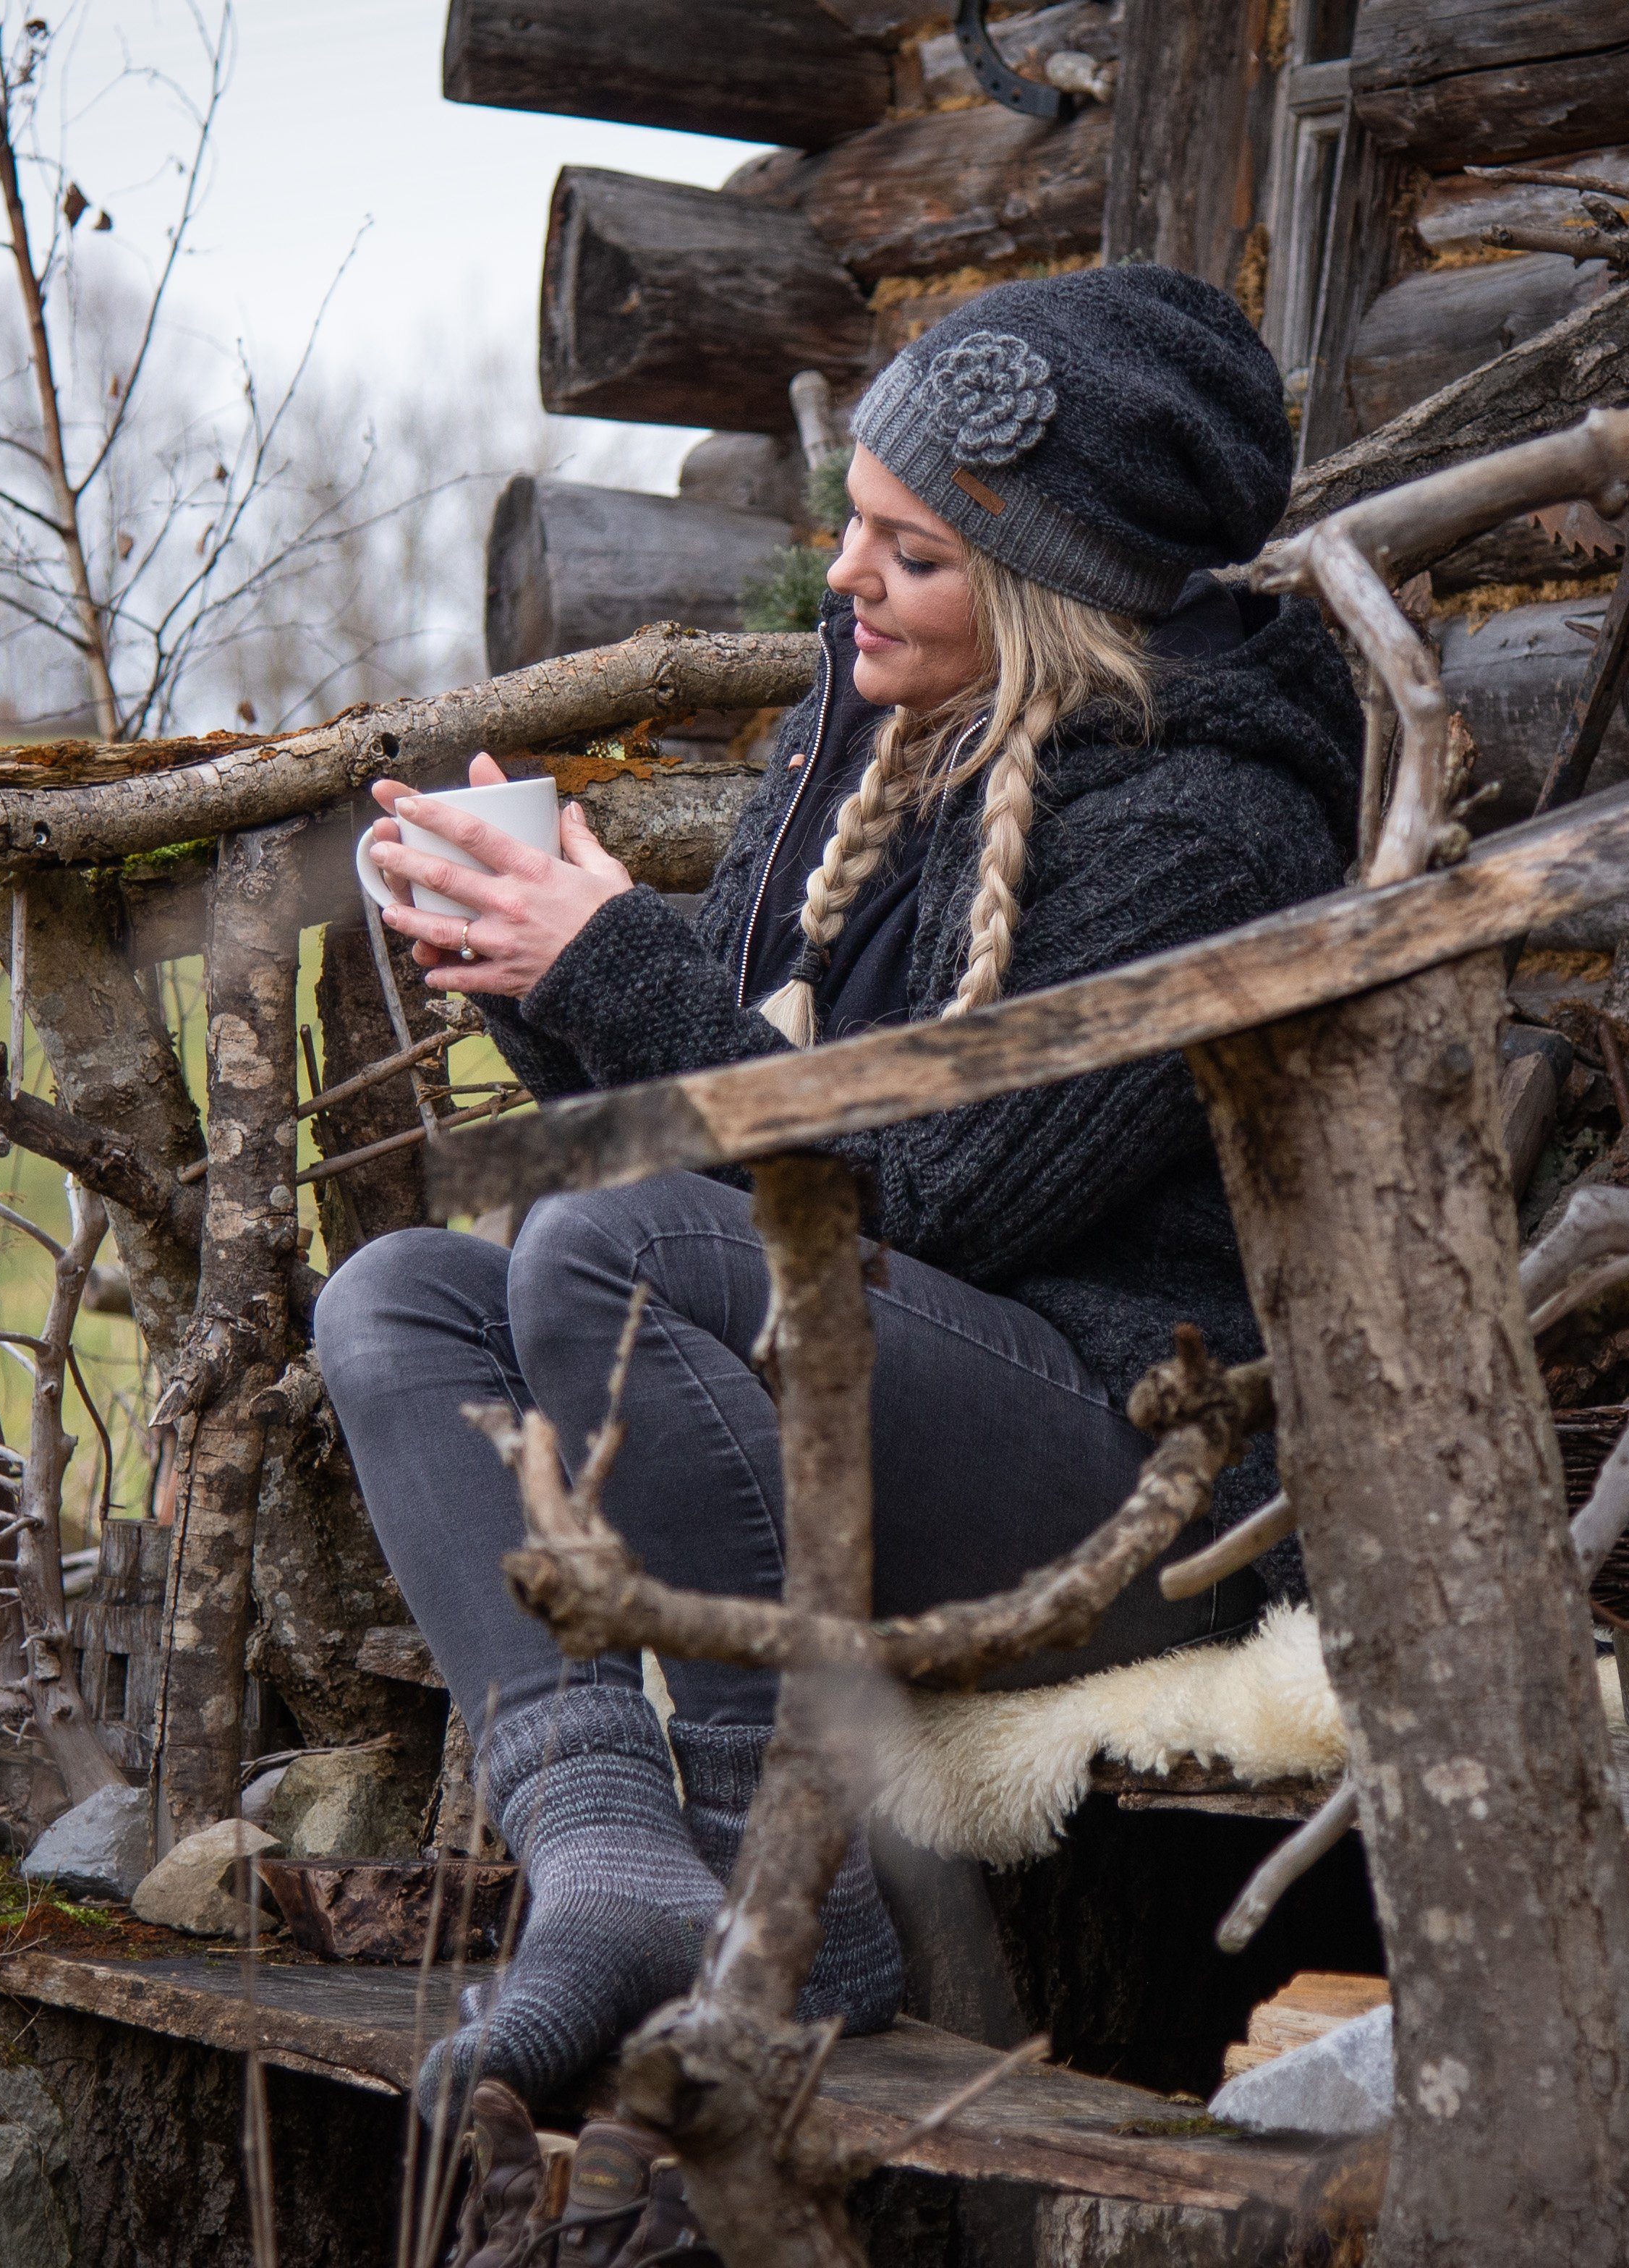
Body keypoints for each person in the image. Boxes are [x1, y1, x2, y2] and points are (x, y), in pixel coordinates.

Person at [315, 264, 1363, 2122]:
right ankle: (612, 1865)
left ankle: (783, 1893)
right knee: (398, 1299)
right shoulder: (858, 751)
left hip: (1146, 1475)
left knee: (615, 1254)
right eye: (853, 523)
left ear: (1048, 590)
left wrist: (614, 966)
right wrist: (538, 971)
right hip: (888, 1392)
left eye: (912, 551)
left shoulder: (1210, 826)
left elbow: (931, 1196)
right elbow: (708, 1146)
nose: (844, 575)